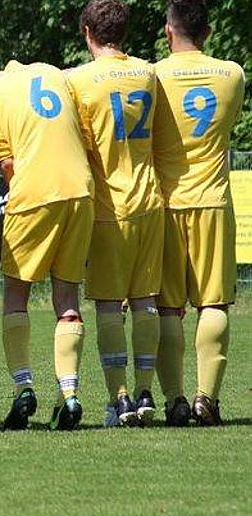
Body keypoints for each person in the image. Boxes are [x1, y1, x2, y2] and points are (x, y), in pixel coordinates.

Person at [0, 59, 95, 431]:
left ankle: (23, 387)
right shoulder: (58, 76)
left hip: (33, 193)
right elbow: (86, 137)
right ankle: (69, 394)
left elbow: (7, 162)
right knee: (67, 299)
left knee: (16, 294)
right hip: (80, 190)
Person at [66, 0, 165, 427]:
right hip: (150, 201)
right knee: (145, 302)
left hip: (110, 206)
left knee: (109, 306)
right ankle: (145, 391)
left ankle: (119, 398)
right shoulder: (148, 72)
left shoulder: (76, 80)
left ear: (87, 32)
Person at [152, 0, 246, 426]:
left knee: (168, 307)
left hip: (166, 203)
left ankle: (174, 399)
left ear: (168, 32)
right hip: (213, 201)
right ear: (207, 32)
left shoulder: (152, 75)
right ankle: (207, 397)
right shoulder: (233, 74)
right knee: (214, 302)